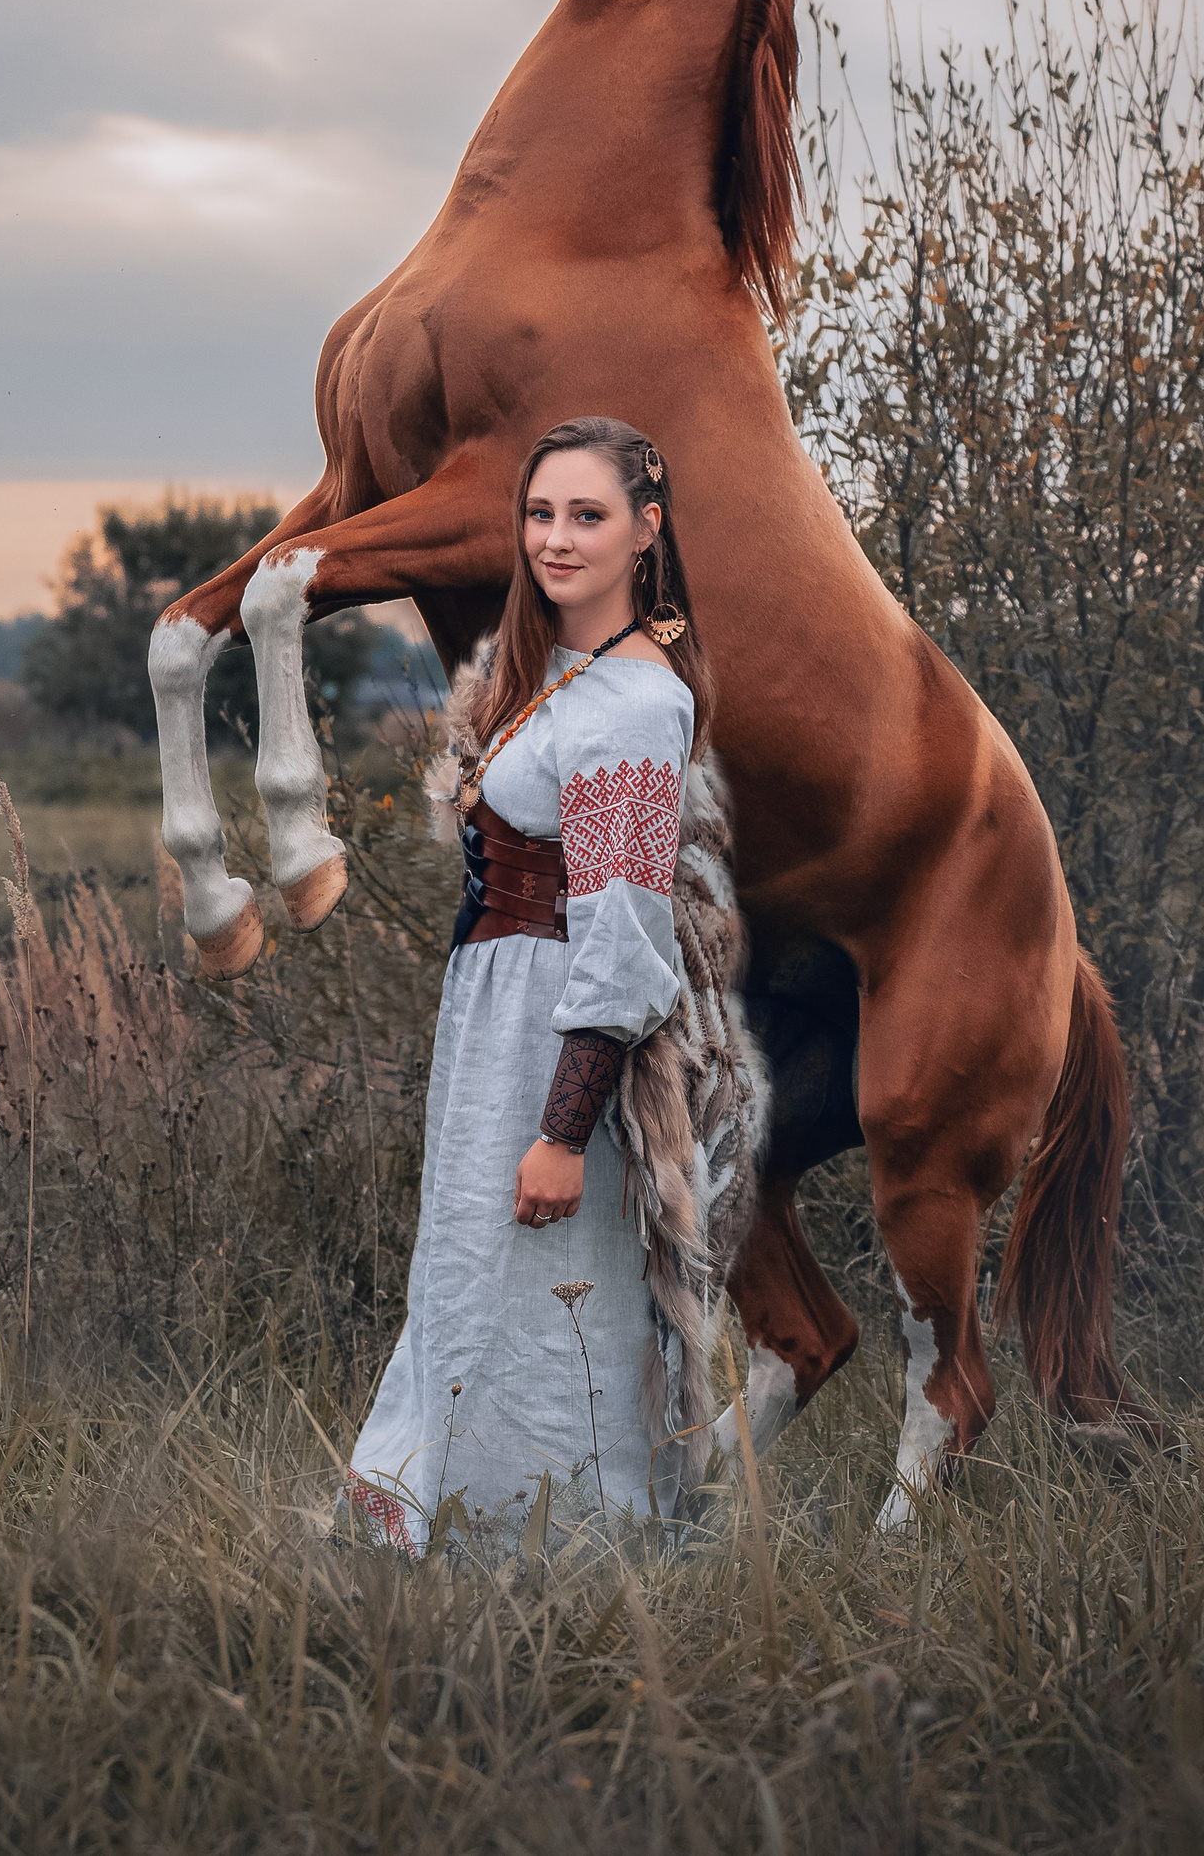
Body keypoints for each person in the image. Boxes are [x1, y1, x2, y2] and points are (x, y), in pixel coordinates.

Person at [343, 415, 711, 1555]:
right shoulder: (563, 671)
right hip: (498, 1015)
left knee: (549, 1272)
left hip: (556, 1031)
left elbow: (620, 936)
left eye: (587, 514)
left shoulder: (637, 704)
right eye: (540, 512)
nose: (555, 538)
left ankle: (552, 1539)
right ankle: (445, 1515)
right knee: (473, 1266)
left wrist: (564, 1126)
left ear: (646, 534)